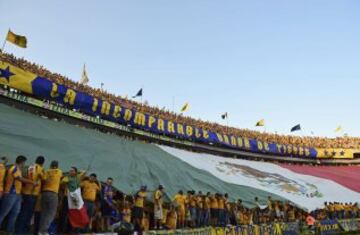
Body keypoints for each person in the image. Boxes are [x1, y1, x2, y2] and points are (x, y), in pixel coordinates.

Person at [0, 155, 36, 233]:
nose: (24, 164)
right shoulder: (14, 168)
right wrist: (32, 182)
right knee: (3, 213)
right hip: (10, 193)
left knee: (15, 213)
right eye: (24, 162)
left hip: (17, 194)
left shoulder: (18, 170)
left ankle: (10, 231)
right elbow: (19, 179)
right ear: (22, 162)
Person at [16, 155, 46, 233]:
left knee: (22, 212)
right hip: (32, 194)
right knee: (28, 214)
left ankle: (19, 229)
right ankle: (21, 231)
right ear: (42, 163)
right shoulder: (40, 169)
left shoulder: (30, 167)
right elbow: (44, 179)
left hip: (25, 192)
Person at [39, 160, 63, 234]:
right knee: (51, 214)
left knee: (44, 213)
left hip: (44, 193)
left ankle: (40, 231)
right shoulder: (59, 171)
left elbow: (43, 179)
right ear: (57, 166)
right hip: (53, 194)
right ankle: (44, 231)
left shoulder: (47, 171)